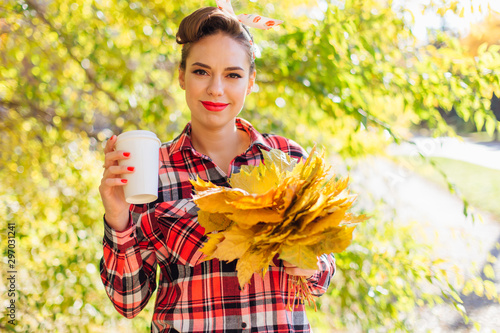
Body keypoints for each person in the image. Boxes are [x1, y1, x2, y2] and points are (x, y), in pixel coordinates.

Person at [99, 2, 335, 332]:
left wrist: (312, 267)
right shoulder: (151, 169)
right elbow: (128, 302)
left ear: (250, 81)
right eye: (201, 71)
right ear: (182, 76)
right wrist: (117, 217)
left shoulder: (289, 159)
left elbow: (319, 280)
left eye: (233, 75)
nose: (216, 89)